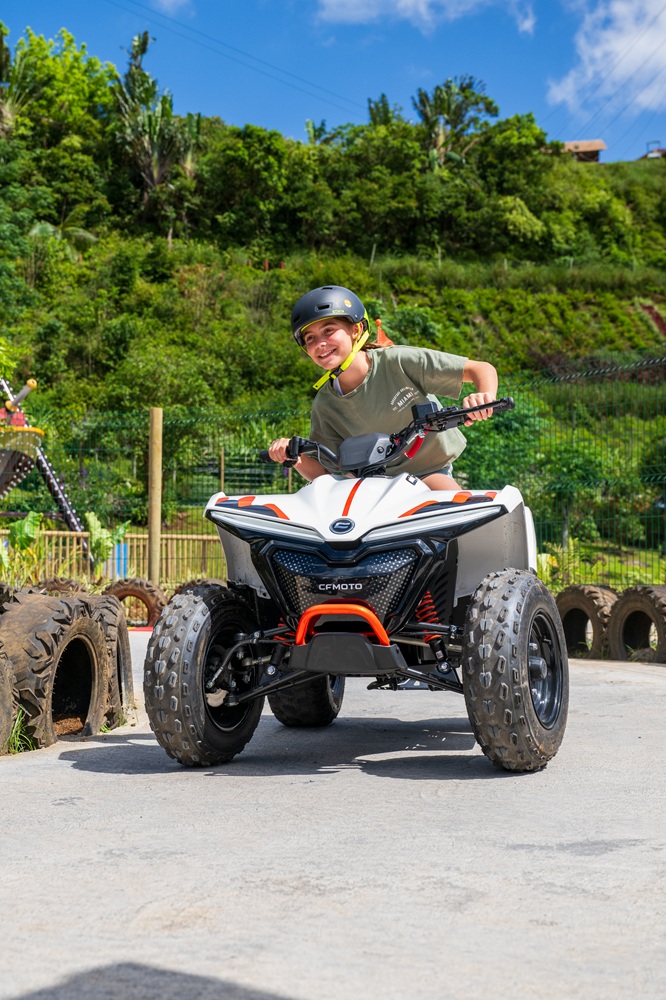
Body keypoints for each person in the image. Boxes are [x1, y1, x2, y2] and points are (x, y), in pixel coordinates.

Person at [268, 284, 498, 490]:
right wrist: (294, 457)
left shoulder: (396, 361)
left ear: (356, 330)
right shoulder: (325, 404)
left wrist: (484, 396)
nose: (320, 343)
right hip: (371, 485)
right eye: (310, 338)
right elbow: (326, 475)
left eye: (329, 330)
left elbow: (481, 369)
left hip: (428, 471)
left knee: (452, 503)